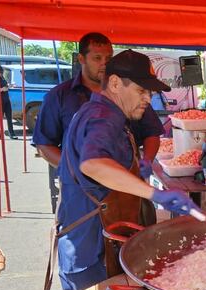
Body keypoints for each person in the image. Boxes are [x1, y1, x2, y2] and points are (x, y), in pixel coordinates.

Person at [56, 49, 199, 290]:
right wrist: (155, 194)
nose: (147, 99)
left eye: (150, 93)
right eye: (141, 91)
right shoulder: (103, 117)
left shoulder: (104, 113)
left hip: (84, 246)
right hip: (93, 252)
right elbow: (93, 164)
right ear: (114, 83)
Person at [33, 32, 165, 214]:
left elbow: (151, 131)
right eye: (97, 58)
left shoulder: (128, 94)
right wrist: (76, 171)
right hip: (83, 197)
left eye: (109, 58)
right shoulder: (61, 96)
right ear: (81, 58)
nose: (104, 63)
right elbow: (45, 144)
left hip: (126, 192)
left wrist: (144, 164)